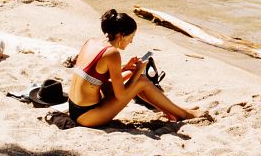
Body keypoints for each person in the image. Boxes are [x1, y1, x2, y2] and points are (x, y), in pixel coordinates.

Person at [64, 9, 201, 127]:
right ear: (122, 35)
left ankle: (173, 111)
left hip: (74, 108)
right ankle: (182, 114)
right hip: (88, 116)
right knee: (140, 81)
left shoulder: (92, 42)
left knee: (134, 75)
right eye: (131, 37)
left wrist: (126, 68)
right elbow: (121, 95)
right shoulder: (112, 53)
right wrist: (139, 71)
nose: (132, 41)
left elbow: (94, 74)